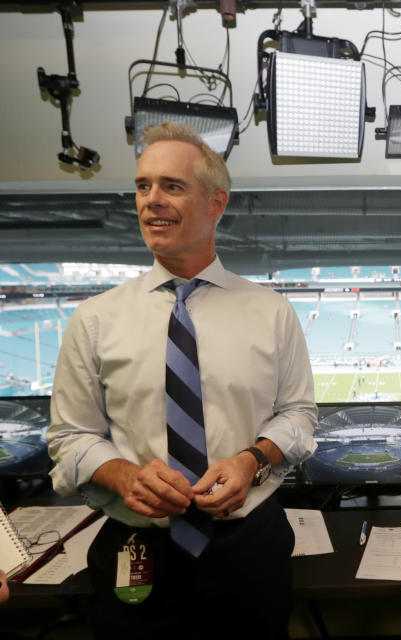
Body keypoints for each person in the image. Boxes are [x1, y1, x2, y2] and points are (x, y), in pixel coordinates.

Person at [47, 123, 318, 639]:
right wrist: (125, 476)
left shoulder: (271, 312)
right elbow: (69, 438)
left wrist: (251, 460)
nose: (151, 201)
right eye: (143, 186)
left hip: (249, 546)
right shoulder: (94, 319)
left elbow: (299, 415)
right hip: (137, 546)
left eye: (172, 186)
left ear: (217, 203)